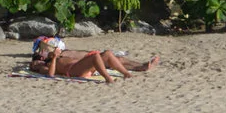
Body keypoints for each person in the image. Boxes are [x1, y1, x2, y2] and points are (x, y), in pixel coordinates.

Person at [27, 36, 159, 83]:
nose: (39, 59)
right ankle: (109, 79)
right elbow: (50, 75)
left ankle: (127, 74)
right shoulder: (42, 67)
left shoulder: (49, 59)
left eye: (39, 58)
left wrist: (55, 55)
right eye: (37, 60)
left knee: (107, 53)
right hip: (72, 71)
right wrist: (55, 57)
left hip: (79, 66)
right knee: (95, 56)